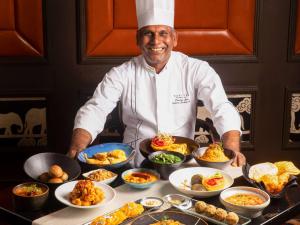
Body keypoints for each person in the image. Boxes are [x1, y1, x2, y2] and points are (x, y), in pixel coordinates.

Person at [67, 0, 246, 167]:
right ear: (137, 39)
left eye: (163, 33)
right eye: (148, 34)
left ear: (174, 39)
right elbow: (96, 108)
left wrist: (232, 149)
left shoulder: (196, 69)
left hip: (183, 166)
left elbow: (221, 107)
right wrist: (78, 145)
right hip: (135, 166)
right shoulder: (121, 73)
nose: (156, 41)